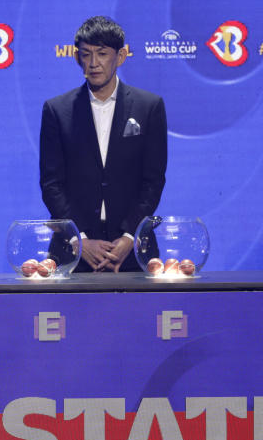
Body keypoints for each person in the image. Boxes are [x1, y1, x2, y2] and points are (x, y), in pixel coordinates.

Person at [39, 16, 167, 272]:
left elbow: (153, 181)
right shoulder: (57, 110)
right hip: (73, 250)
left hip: (133, 250)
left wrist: (129, 237)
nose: (94, 63)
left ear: (120, 56)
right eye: (86, 55)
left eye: (102, 54)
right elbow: (51, 184)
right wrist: (81, 240)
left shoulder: (149, 106)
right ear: (78, 58)